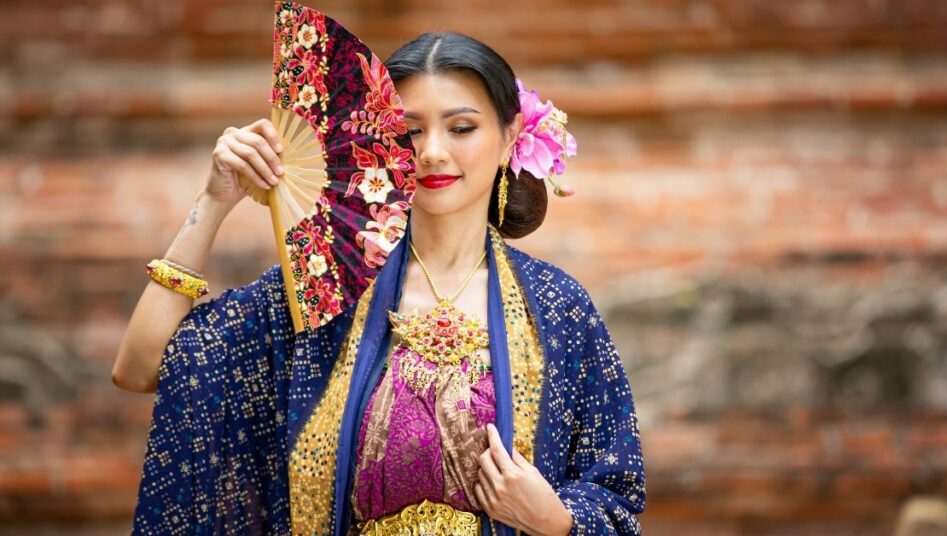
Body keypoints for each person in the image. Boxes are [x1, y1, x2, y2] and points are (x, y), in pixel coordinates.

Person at [113, 28, 645, 536]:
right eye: (410, 130)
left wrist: (556, 519)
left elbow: (618, 498)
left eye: (461, 128)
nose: (432, 151)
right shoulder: (327, 291)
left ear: (509, 137)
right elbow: (139, 367)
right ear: (380, 142)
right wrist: (213, 202)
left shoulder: (556, 308)